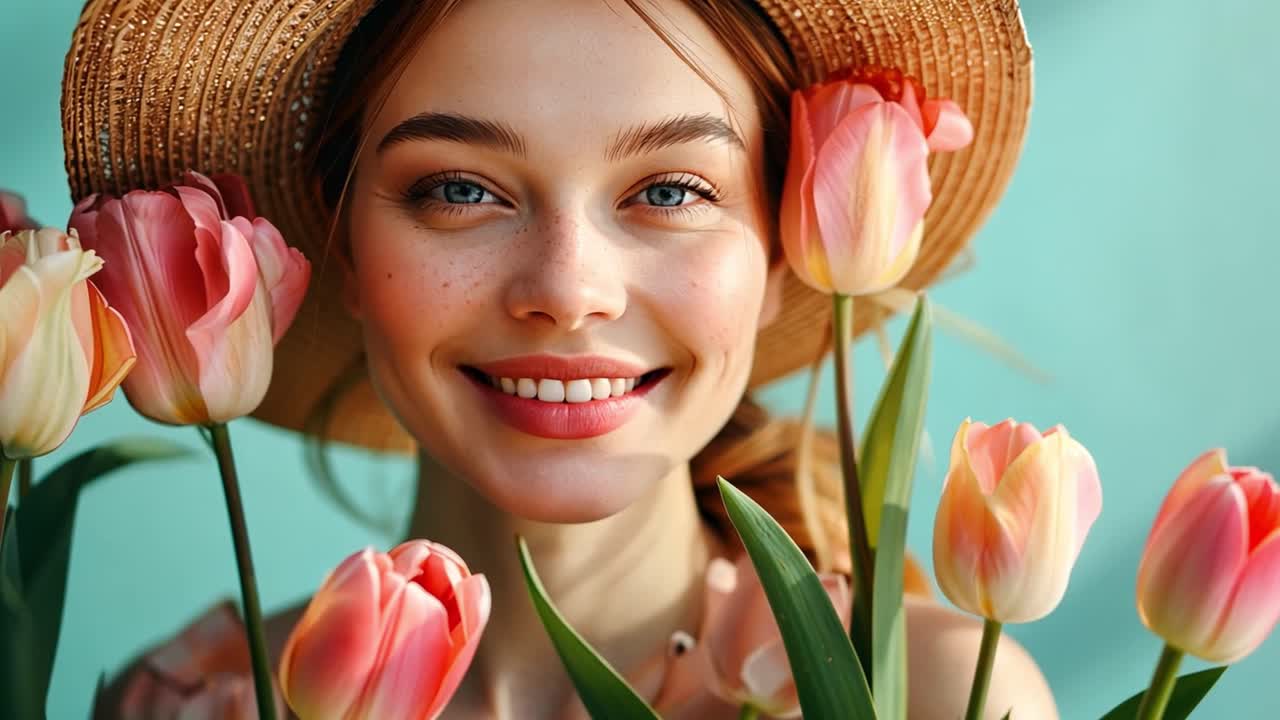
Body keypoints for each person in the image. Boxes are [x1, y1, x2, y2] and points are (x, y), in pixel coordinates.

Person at [65, 0, 1053, 717]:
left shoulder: (936, 700)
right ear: (340, 244)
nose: (569, 287)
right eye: (458, 189)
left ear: (779, 245)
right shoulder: (189, 707)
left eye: (668, 191)